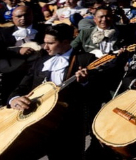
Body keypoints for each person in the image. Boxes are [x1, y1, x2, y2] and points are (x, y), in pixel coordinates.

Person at [6, 24, 96, 160]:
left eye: (51, 43)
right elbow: (22, 87)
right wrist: (14, 99)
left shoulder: (85, 59)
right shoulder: (41, 61)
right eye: (45, 42)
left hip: (67, 124)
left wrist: (84, 82)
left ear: (66, 42)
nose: (45, 47)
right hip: (35, 123)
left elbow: (97, 91)